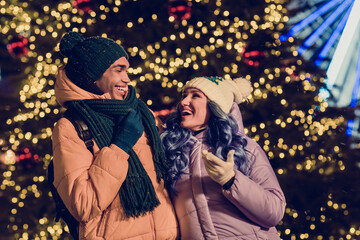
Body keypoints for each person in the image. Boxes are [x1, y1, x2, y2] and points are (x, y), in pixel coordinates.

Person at [51, 31, 178, 239]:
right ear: (93, 76)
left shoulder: (141, 112)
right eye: (118, 70)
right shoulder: (70, 126)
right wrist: (119, 147)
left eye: (126, 70)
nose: (126, 79)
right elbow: (83, 204)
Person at [161, 76, 286, 239]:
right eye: (184, 95)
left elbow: (275, 211)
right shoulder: (174, 152)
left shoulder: (245, 148)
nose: (184, 102)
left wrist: (232, 181)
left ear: (216, 106)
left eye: (195, 95)